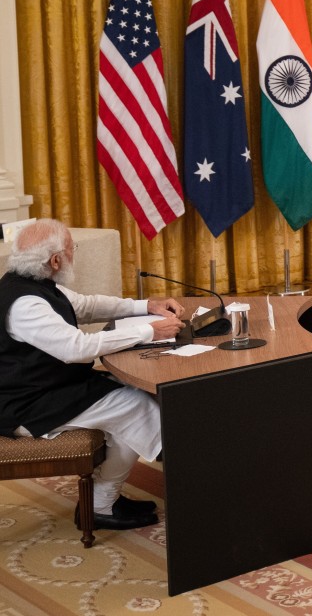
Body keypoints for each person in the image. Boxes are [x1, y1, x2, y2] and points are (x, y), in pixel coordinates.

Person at [0, 219, 186, 530]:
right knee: (137, 406)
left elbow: (85, 306)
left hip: (47, 387)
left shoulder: (33, 283)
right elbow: (77, 348)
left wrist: (146, 306)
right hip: (26, 404)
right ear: (55, 259)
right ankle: (114, 499)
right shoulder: (25, 305)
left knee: (133, 398)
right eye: (72, 248)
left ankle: (102, 500)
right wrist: (148, 332)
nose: (74, 253)